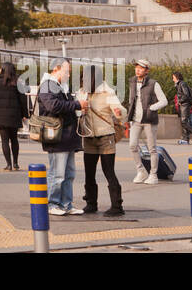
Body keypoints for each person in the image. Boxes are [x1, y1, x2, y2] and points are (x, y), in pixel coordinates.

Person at [37, 58, 83, 215]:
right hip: (56, 136)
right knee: (57, 174)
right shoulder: (47, 85)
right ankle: (53, 204)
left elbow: (64, 106)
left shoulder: (60, 86)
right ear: (56, 69)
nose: (68, 75)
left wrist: (78, 104)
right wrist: (77, 104)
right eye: (66, 71)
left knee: (69, 174)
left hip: (67, 136)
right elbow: (53, 106)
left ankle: (66, 204)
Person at [78, 65, 125, 216]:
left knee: (108, 171)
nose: (85, 81)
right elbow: (77, 110)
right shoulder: (82, 92)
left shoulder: (107, 91)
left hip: (106, 136)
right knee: (89, 172)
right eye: (83, 78)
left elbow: (119, 110)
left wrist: (118, 112)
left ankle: (117, 206)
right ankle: (91, 203)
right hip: (89, 136)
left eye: (87, 78)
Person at [125, 59, 168, 185]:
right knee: (132, 145)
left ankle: (153, 175)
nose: (138, 70)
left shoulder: (153, 84)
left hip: (149, 120)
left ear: (147, 70)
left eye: (141, 68)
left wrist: (151, 108)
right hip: (136, 120)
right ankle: (141, 171)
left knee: (152, 149)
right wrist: (130, 118)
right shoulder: (132, 82)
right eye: (137, 67)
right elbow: (131, 101)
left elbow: (164, 101)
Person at [0, 61, 29, 170]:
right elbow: (23, 100)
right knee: (14, 139)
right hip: (14, 115)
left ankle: (8, 164)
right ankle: (16, 163)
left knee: (4, 141)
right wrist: (25, 114)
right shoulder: (18, 82)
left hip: (1, 116)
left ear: (2, 70)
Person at [172, 71, 192, 144]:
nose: (172, 79)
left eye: (173, 78)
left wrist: (180, 101)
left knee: (184, 122)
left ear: (177, 77)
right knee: (184, 122)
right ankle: (186, 139)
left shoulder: (182, 83)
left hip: (185, 105)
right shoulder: (179, 84)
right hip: (183, 105)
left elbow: (186, 95)